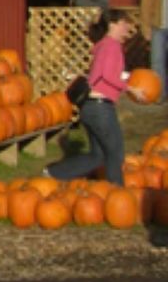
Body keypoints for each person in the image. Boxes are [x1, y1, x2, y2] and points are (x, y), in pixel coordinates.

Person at [52, 12, 143, 182]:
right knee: (115, 153)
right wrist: (130, 89)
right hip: (101, 108)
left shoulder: (102, 45)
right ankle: (117, 194)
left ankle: (53, 173)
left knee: (98, 155)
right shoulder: (112, 46)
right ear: (112, 25)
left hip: (90, 107)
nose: (128, 29)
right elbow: (107, 75)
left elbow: (99, 75)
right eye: (124, 24)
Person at [145, 0, 168, 83]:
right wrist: (146, 30)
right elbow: (146, 9)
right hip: (158, 29)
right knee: (158, 62)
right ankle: (160, 94)